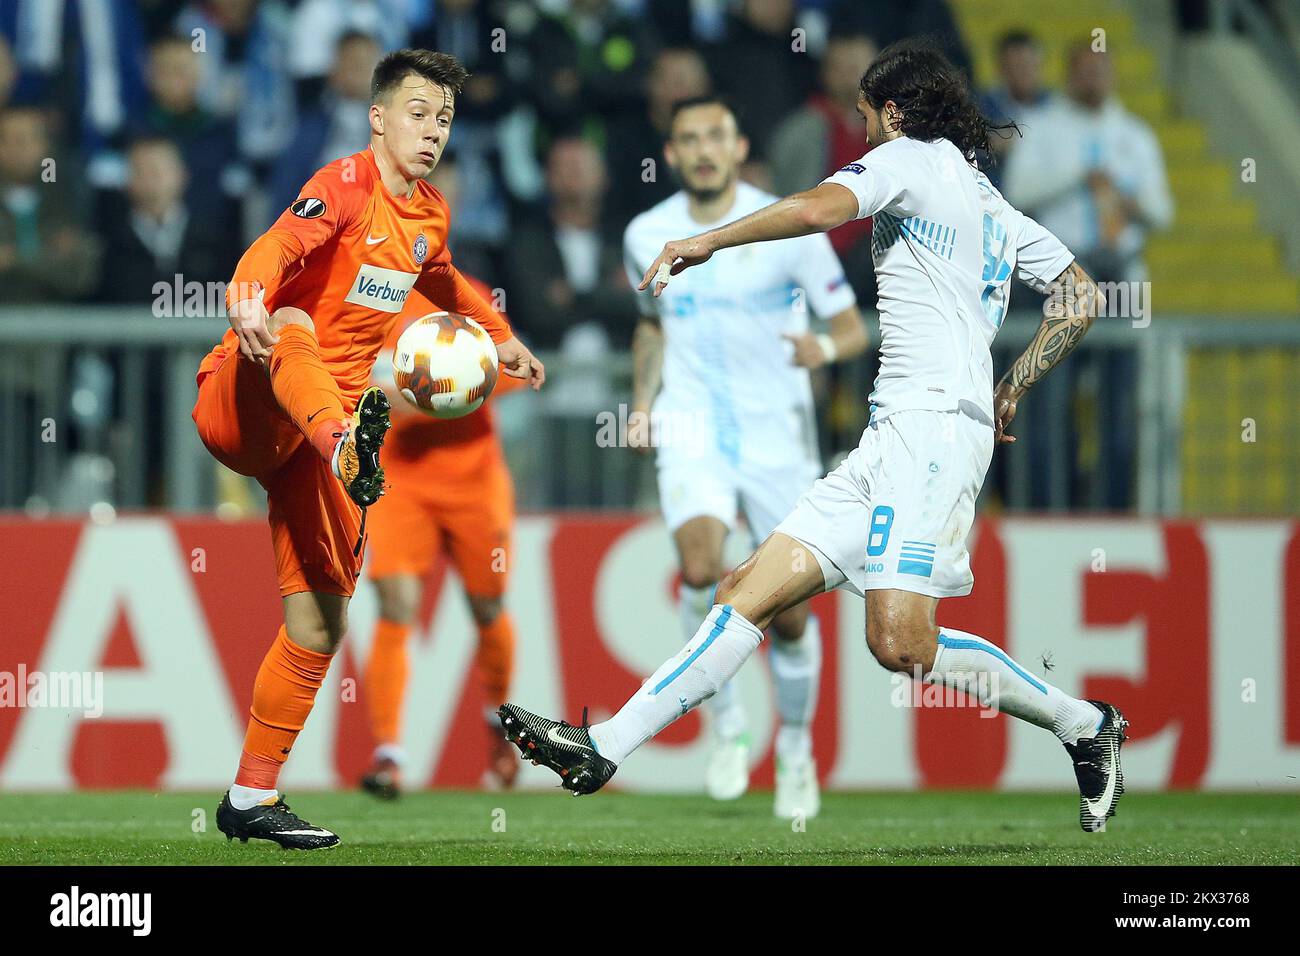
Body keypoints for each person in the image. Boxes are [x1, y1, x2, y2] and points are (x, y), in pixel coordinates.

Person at [499, 41, 1128, 834]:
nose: (861, 138)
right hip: (891, 435)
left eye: (865, 119)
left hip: (930, 434)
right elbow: (1080, 295)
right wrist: (1011, 387)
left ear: (894, 115)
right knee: (742, 593)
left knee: (899, 643)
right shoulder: (983, 196)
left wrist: (708, 239)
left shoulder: (910, 160)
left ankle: (1085, 725)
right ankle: (602, 746)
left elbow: (814, 210)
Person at [193, 49, 543, 850]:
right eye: (418, 113)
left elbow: (446, 278)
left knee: (320, 621)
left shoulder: (429, 215)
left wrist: (502, 337)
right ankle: (344, 442)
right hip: (252, 400)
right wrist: (245, 293)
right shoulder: (343, 185)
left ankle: (251, 796)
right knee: (294, 320)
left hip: (318, 444)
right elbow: (276, 249)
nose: (433, 131)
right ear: (378, 117)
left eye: (445, 119)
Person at [622, 95, 868, 817]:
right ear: (671, 154)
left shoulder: (786, 224)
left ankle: (793, 742)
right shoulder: (646, 234)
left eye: (715, 137)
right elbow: (651, 327)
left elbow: (851, 326)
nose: (702, 149)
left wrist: (820, 347)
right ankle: (727, 727)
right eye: (688, 138)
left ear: (738, 147)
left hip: (775, 437)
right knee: (701, 569)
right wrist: (642, 403)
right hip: (692, 425)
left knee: (785, 614)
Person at [360, 170, 524, 798]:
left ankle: (502, 728)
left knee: (487, 609)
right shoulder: (371, 300)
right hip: (401, 475)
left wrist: (426, 392)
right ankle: (388, 755)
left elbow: (508, 371)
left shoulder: (467, 295)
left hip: (475, 477)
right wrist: (390, 393)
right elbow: (352, 378)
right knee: (396, 606)